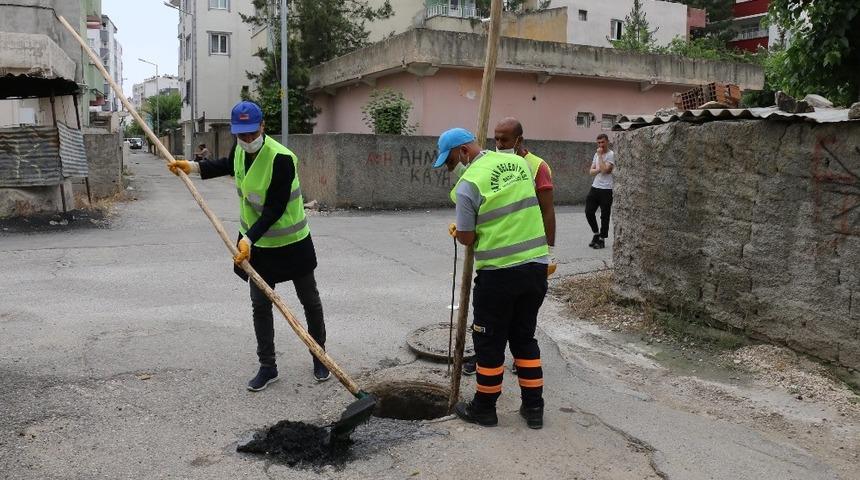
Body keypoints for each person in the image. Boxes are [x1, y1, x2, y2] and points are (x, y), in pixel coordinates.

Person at [167, 101, 330, 392]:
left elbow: (275, 209)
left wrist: (247, 239)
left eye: (252, 134)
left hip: (292, 243)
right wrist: (191, 167)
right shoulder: (239, 149)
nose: (247, 140)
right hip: (257, 246)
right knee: (260, 305)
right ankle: (268, 366)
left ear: (263, 127)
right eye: (241, 135)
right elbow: (226, 165)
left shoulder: (282, 158)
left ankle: (319, 356)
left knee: (310, 300)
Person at [435, 127, 549, 429]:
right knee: (524, 339)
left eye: (449, 162)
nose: (450, 169)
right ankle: (534, 409)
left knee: (489, 343)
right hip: (536, 267)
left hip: (499, 274)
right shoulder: (520, 165)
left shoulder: (468, 184)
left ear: (462, 152)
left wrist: (459, 230)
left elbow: (468, 238)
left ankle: (484, 408)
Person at [460, 117, 557, 377]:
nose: (499, 143)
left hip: (522, 259)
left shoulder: (537, 166)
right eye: (496, 138)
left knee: (510, 329)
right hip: (503, 256)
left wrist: (548, 252)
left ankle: (491, 386)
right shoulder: (494, 164)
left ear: (519, 140)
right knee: (496, 328)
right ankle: (482, 359)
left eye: (504, 139)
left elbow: (547, 211)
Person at [585, 134, 615, 249]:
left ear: (607, 142)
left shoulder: (611, 155)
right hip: (595, 187)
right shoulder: (596, 155)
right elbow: (591, 172)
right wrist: (598, 168)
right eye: (598, 143)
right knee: (589, 211)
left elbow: (606, 171)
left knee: (605, 215)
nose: (600, 145)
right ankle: (596, 234)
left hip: (607, 189)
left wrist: (600, 156)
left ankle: (602, 239)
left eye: (602, 142)